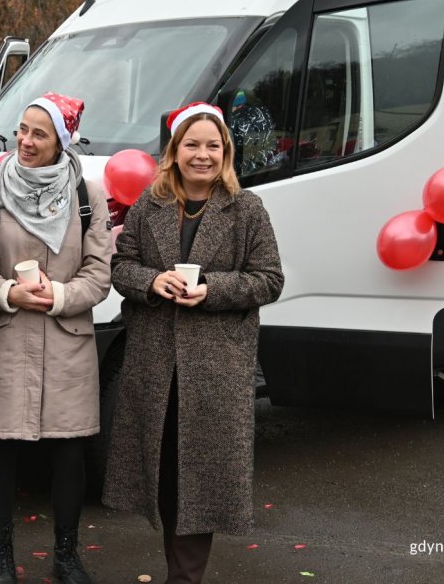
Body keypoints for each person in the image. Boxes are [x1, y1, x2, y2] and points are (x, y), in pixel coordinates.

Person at [102, 102, 284, 584]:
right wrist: (151, 281)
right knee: (165, 472)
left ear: (225, 152)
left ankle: (184, 578)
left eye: (213, 145)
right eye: (192, 144)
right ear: (175, 151)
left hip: (215, 366)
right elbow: (121, 267)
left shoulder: (246, 208)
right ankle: (176, 572)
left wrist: (212, 289)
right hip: (156, 363)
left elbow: (269, 279)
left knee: (198, 479)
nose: (202, 155)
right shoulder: (150, 204)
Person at [0, 92, 112, 584]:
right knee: (0, 450)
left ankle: (67, 556)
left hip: (66, 337)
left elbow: (99, 273)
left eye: (39, 134)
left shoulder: (87, 195)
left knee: (69, 452)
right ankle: (0, 558)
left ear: (61, 142)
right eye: (22, 130)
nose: (25, 141)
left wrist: (60, 295)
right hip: (5, 336)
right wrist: (6, 291)